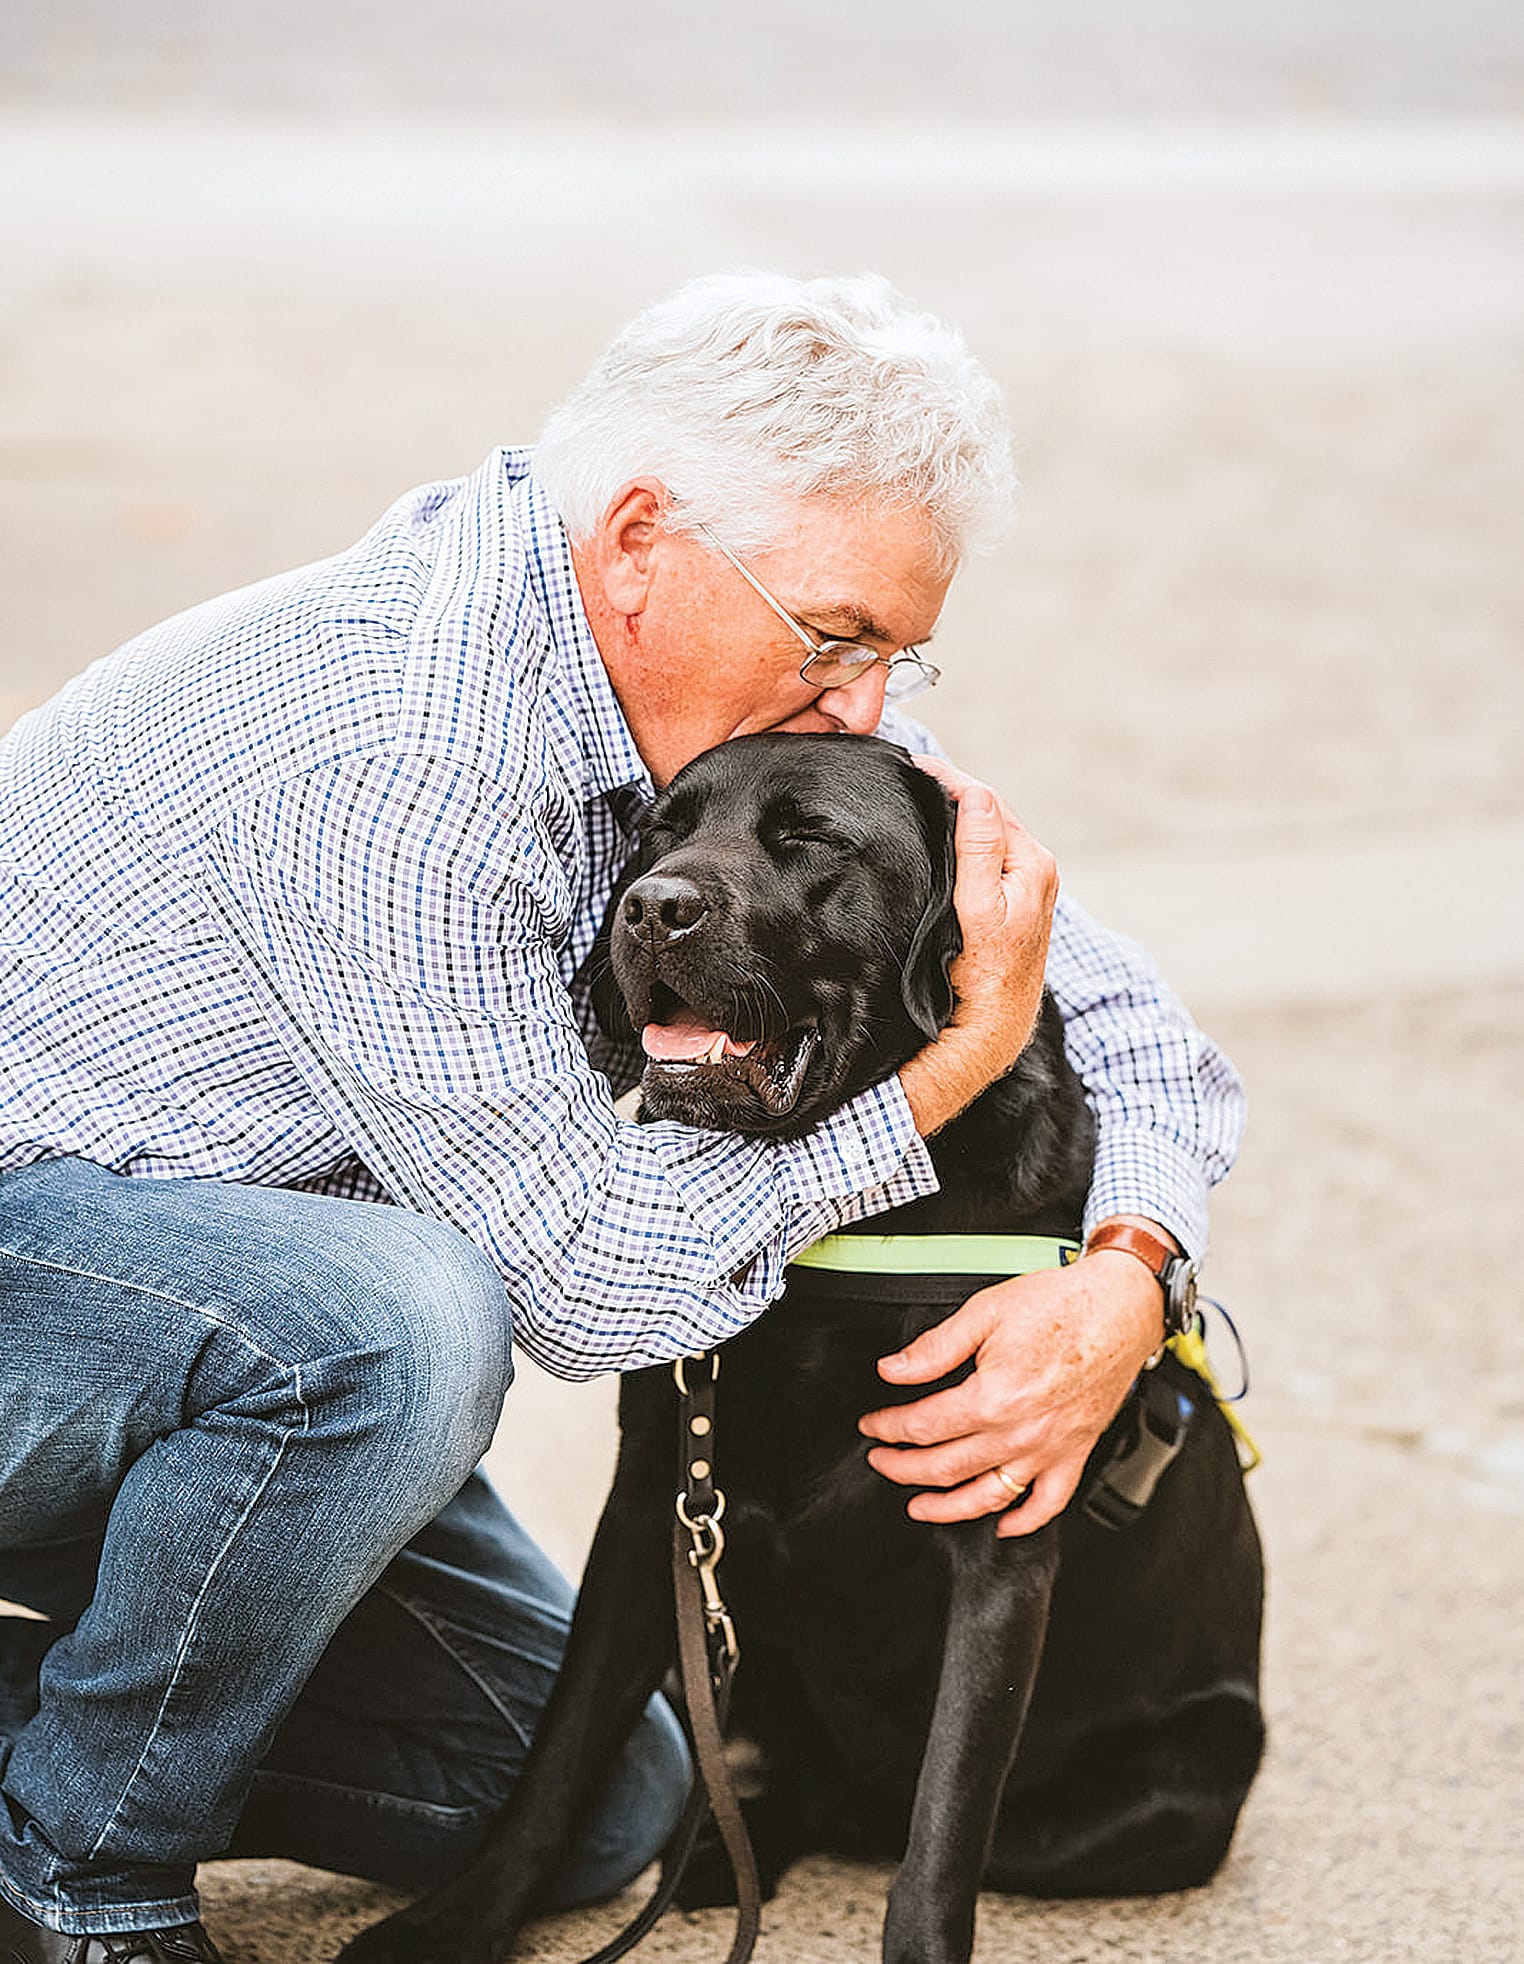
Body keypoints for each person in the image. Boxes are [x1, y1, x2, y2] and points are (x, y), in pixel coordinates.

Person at [0, 272, 1243, 1962]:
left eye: (899, 648)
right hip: (72, 1284)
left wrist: (1122, 1280)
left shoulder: (749, 697)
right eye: (840, 635)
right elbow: (582, 1290)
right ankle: (79, 1884)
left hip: (216, 1340)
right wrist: (941, 1079)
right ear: (644, 536)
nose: (870, 703)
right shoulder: (394, 746)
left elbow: (1136, 1031)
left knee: (598, 1806)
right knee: (406, 1317)